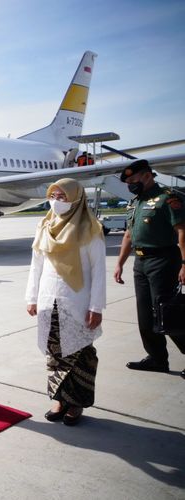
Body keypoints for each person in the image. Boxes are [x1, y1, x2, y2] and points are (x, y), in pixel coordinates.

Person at [26, 179, 106, 426]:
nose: (56, 201)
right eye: (53, 196)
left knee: (79, 354)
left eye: (62, 196)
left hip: (77, 301)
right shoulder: (44, 225)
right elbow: (36, 265)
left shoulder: (89, 228)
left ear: (75, 198)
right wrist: (31, 297)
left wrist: (96, 307)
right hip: (49, 299)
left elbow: (99, 271)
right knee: (54, 353)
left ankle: (77, 403)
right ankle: (59, 399)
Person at [113, 159, 185, 378]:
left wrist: (184, 264)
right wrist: (119, 263)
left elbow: (182, 232)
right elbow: (127, 235)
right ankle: (156, 358)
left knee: (167, 313)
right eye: (127, 183)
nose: (130, 185)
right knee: (145, 315)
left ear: (147, 176)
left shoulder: (167, 198)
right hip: (141, 263)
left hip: (163, 260)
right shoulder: (135, 202)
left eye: (133, 180)